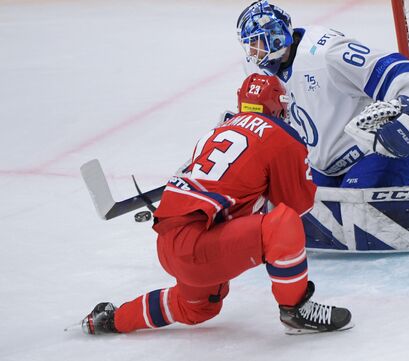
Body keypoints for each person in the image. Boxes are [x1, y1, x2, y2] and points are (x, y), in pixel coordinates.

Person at [80, 73, 353, 336]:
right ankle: (296, 311)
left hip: (169, 243)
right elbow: (296, 204)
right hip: (199, 246)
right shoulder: (281, 134)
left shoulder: (214, 132)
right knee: (283, 224)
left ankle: (113, 319)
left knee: (198, 308)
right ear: (278, 106)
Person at [236, 0, 409, 189]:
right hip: (323, 166)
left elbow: (403, 73)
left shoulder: (325, 53)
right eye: (249, 45)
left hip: (376, 151)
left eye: (256, 42)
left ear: (275, 35)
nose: (253, 52)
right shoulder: (256, 68)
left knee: (357, 216)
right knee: (304, 214)